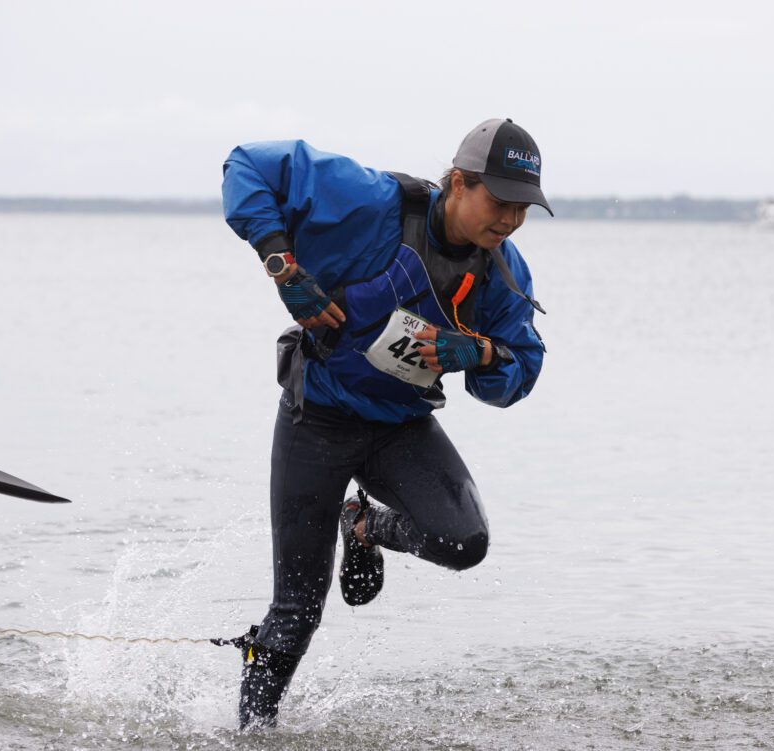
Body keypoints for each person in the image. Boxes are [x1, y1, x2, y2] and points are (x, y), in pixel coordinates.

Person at [220, 118, 550, 728]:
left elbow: (520, 371)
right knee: (296, 610)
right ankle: (250, 738)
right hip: (315, 419)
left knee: (465, 543)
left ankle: (366, 524)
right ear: (458, 182)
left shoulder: (504, 275)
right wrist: (283, 269)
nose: (508, 221)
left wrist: (478, 353)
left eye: (523, 209)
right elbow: (248, 165)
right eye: (499, 203)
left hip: (400, 428)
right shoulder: (369, 202)